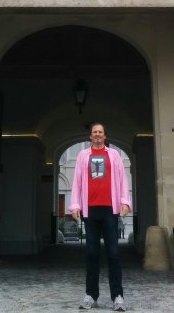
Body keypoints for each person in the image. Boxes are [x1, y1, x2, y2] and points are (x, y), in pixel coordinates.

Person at [69, 122, 131, 312]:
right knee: (92, 253)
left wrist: (125, 202)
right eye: (94, 132)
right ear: (90, 136)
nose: (97, 135)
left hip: (110, 211)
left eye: (100, 132)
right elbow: (77, 181)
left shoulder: (113, 156)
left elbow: (122, 179)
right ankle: (91, 295)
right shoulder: (82, 156)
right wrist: (75, 205)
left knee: (113, 253)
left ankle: (117, 296)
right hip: (90, 210)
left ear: (105, 136)